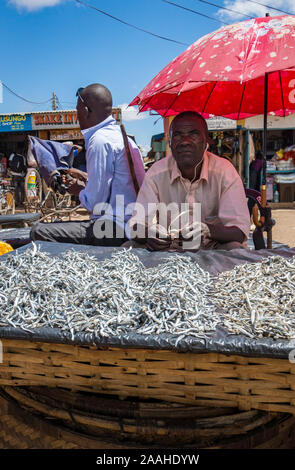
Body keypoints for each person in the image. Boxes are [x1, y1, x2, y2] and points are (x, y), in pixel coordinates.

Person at [31, 83, 145, 245]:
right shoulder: (122, 137)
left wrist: (78, 190)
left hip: (114, 228)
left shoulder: (99, 140)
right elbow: (113, 186)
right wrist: (83, 181)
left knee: (39, 231)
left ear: (85, 111)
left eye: (77, 110)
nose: (77, 116)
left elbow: (95, 202)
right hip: (131, 223)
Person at [128, 111, 250, 251]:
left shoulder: (224, 172)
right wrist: (149, 233)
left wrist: (207, 230)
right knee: (128, 247)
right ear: (170, 142)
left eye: (193, 134)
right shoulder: (156, 173)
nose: (185, 141)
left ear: (206, 142)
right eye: (178, 135)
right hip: (168, 250)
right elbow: (135, 226)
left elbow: (240, 232)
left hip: (212, 249)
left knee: (235, 248)